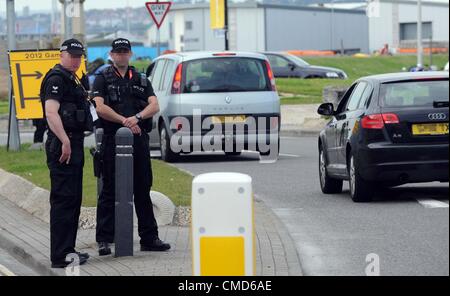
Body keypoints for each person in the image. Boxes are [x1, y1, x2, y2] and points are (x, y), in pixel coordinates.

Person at [92, 38, 170, 256]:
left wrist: (136, 118)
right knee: (109, 190)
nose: (121, 55)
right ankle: (105, 240)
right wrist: (125, 122)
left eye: (125, 51)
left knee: (142, 189)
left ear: (130, 54)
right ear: (111, 54)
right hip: (112, 140)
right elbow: (100, 108)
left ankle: (149, 238)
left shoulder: (141, 78)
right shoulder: (102, 78)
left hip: (139, 141)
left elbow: (154, 105)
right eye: (118, 52)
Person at [40, 38, 93, 268]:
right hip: (63, 145)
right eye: (72, 55)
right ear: (61, 54)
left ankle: (67, 250)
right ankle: (60, 255)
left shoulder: (73, 79)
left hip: (74, 143)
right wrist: (64, 140)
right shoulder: (56, 79)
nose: (75, 60)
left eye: (79, 56)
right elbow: (51, 113)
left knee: (73, 200)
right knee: (63, 200)